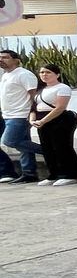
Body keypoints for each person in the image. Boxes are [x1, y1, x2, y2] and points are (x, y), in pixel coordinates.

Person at [28, 63, 77, 185]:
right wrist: (32, 120)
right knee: (47, 148)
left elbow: (60, 107)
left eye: (48, 72)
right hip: (41, 120)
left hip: (58, 119)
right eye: (42, 72)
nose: (44, 75)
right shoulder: (41, 90)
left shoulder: (62, 88)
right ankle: (53, 174)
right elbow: (34, 107)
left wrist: (44, 120)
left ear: (57, 74)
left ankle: (68, 174)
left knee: (62, 146)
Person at [0, 48, 40, 184]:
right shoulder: (6, 75)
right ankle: (29, 173)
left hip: (20, 115)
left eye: (5, 57)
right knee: (24, 146)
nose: (1, 60)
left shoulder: (23, 74)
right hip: (7, 114)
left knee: (9, 141)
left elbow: (33, 95)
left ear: (16, 60)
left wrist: (31, 114)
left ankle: (50, 151)